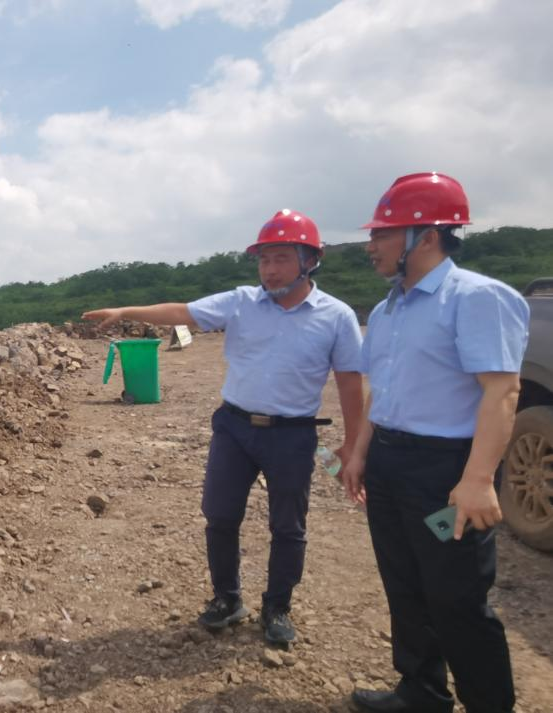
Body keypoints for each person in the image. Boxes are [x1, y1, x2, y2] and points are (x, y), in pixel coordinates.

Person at [82, 210, 364, 646]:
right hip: (235, 428)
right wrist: (125, 311)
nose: (269, 269)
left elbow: (349, 382)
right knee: (220, 515)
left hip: (292, 435)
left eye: (281, 258)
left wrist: (353, 445)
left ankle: (277, 606)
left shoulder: (337, 316)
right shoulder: (241, 302)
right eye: (264, 259)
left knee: (288, 526)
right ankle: (227, 599)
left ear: (310, 261)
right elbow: (184, 312)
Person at [341, 173, 527, 713]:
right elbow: (382, 391)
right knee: (404, 585)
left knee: (456, 599)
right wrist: (359, 453)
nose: (371, 245)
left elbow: (502, 391)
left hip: (445, 473)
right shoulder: (387, 310)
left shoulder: (477, 298)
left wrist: (477, 480)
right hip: (390, 462)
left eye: (383, 233)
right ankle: (421, 692)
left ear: (426, 236)